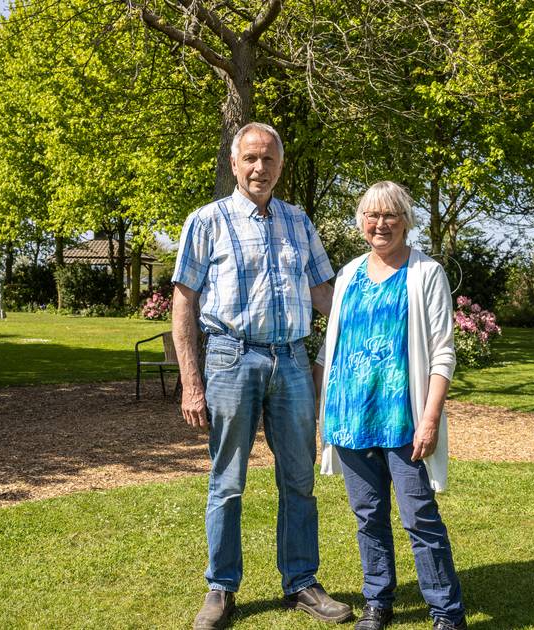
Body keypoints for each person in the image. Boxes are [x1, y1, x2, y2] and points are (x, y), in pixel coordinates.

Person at [172, 122, 351, 629]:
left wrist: (378, 315)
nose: (259, 168)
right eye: (250, 158)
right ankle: (221, 588)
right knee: (227, 482)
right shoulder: (206, 221)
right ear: (234, 163)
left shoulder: (299, 221)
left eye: (268, 159)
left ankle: (301, 583)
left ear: (280, 166)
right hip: (231, 359)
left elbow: (325, 297)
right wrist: (191, 382)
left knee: (298, 479)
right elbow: (183, 305)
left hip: (292, 361)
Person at [315, 181, 468, 630]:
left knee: (420, 516)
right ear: (361, 221)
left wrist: (431, 419)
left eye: (390, 215)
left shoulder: (426, 273)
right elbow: (330, 349)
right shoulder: (347, 274)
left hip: (403, 419)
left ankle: (446, 612)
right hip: (350, 416)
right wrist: (323, 413)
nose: (380, 224)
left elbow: (443, 352)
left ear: (406, 220)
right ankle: (377, 603)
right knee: (368, 518)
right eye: (372, 215)